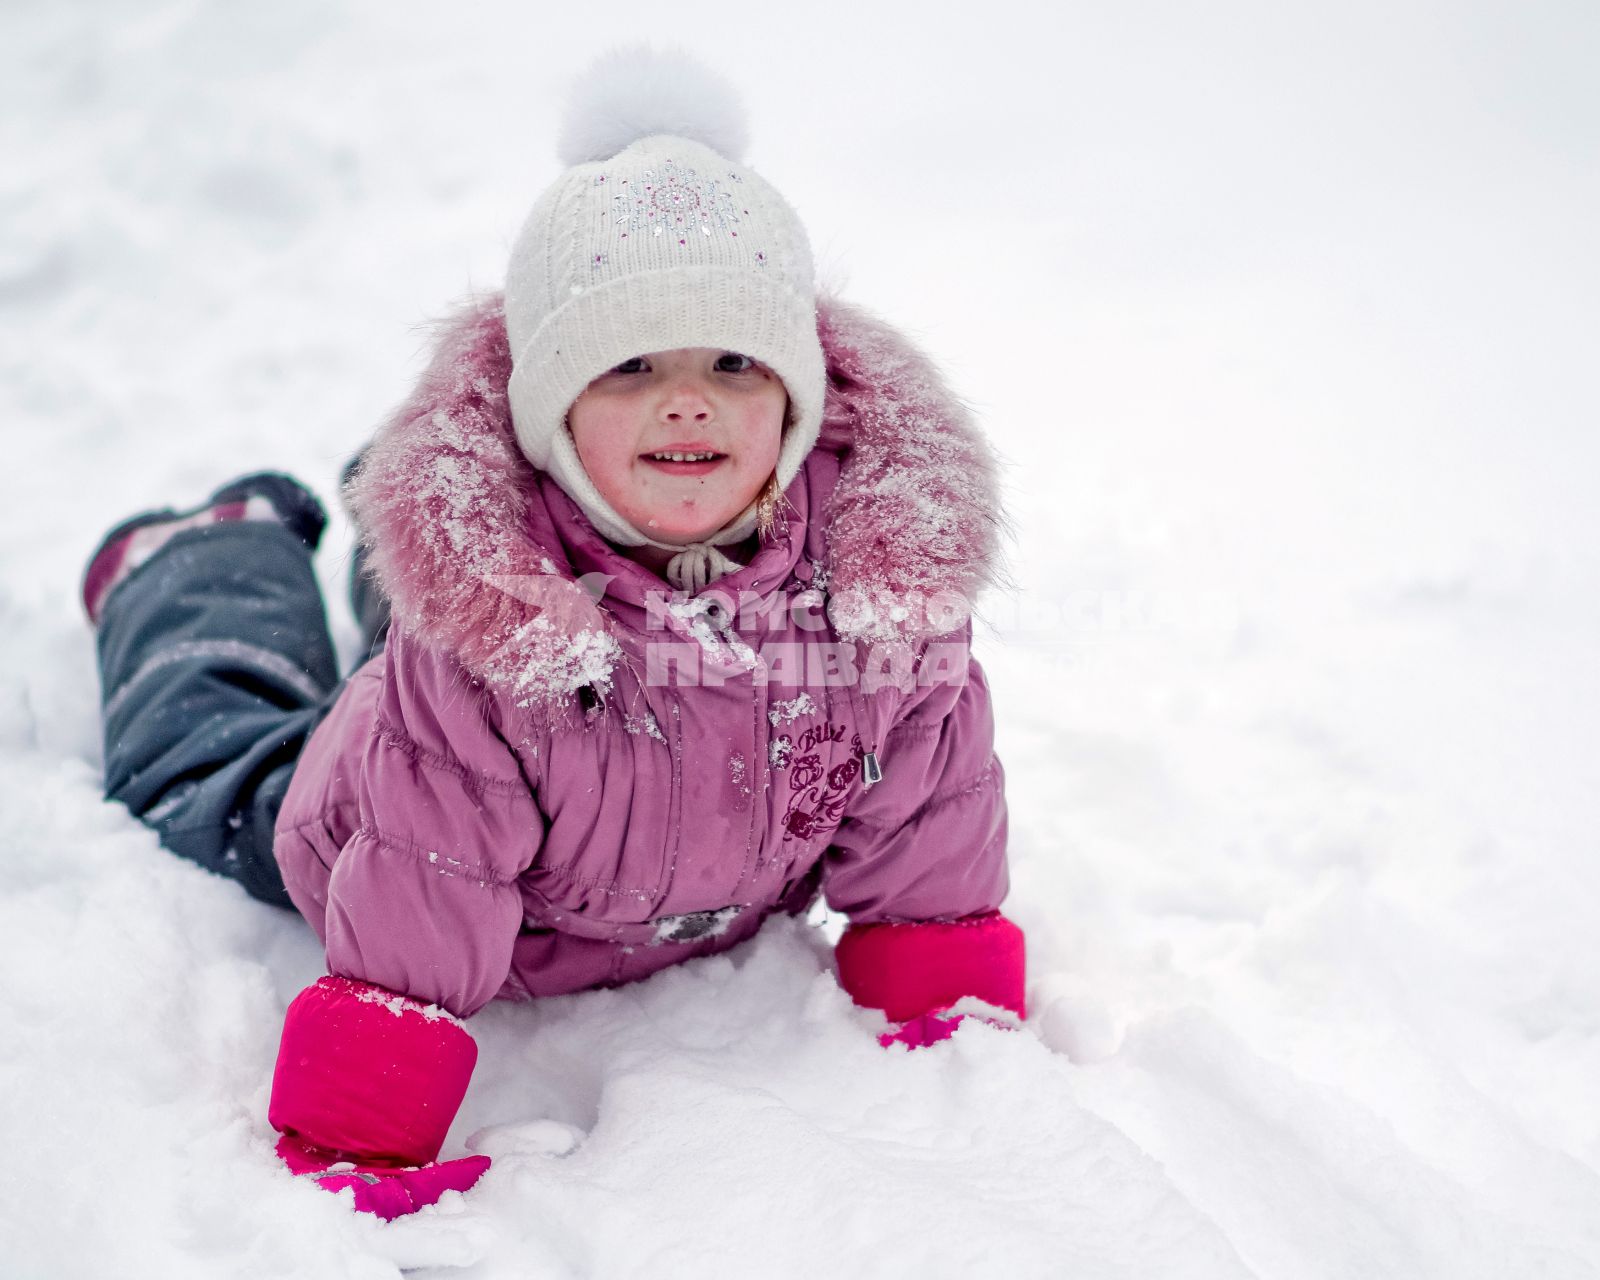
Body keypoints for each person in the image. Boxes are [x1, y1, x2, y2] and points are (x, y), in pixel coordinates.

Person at [80, 48, 1023, 1219]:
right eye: (632, 366)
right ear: (549, 418)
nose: (691, 400)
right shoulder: (488, 644)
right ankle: (204, 559)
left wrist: (941, 1003)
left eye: (735, 362)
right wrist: (367, 1135)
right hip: (389, 818)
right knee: (213, 763)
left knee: (503, 601)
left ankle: (389, 507)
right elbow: (431, 869)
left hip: (660, 842)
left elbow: (931, 801)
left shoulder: (881, 588)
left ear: (800, 397)